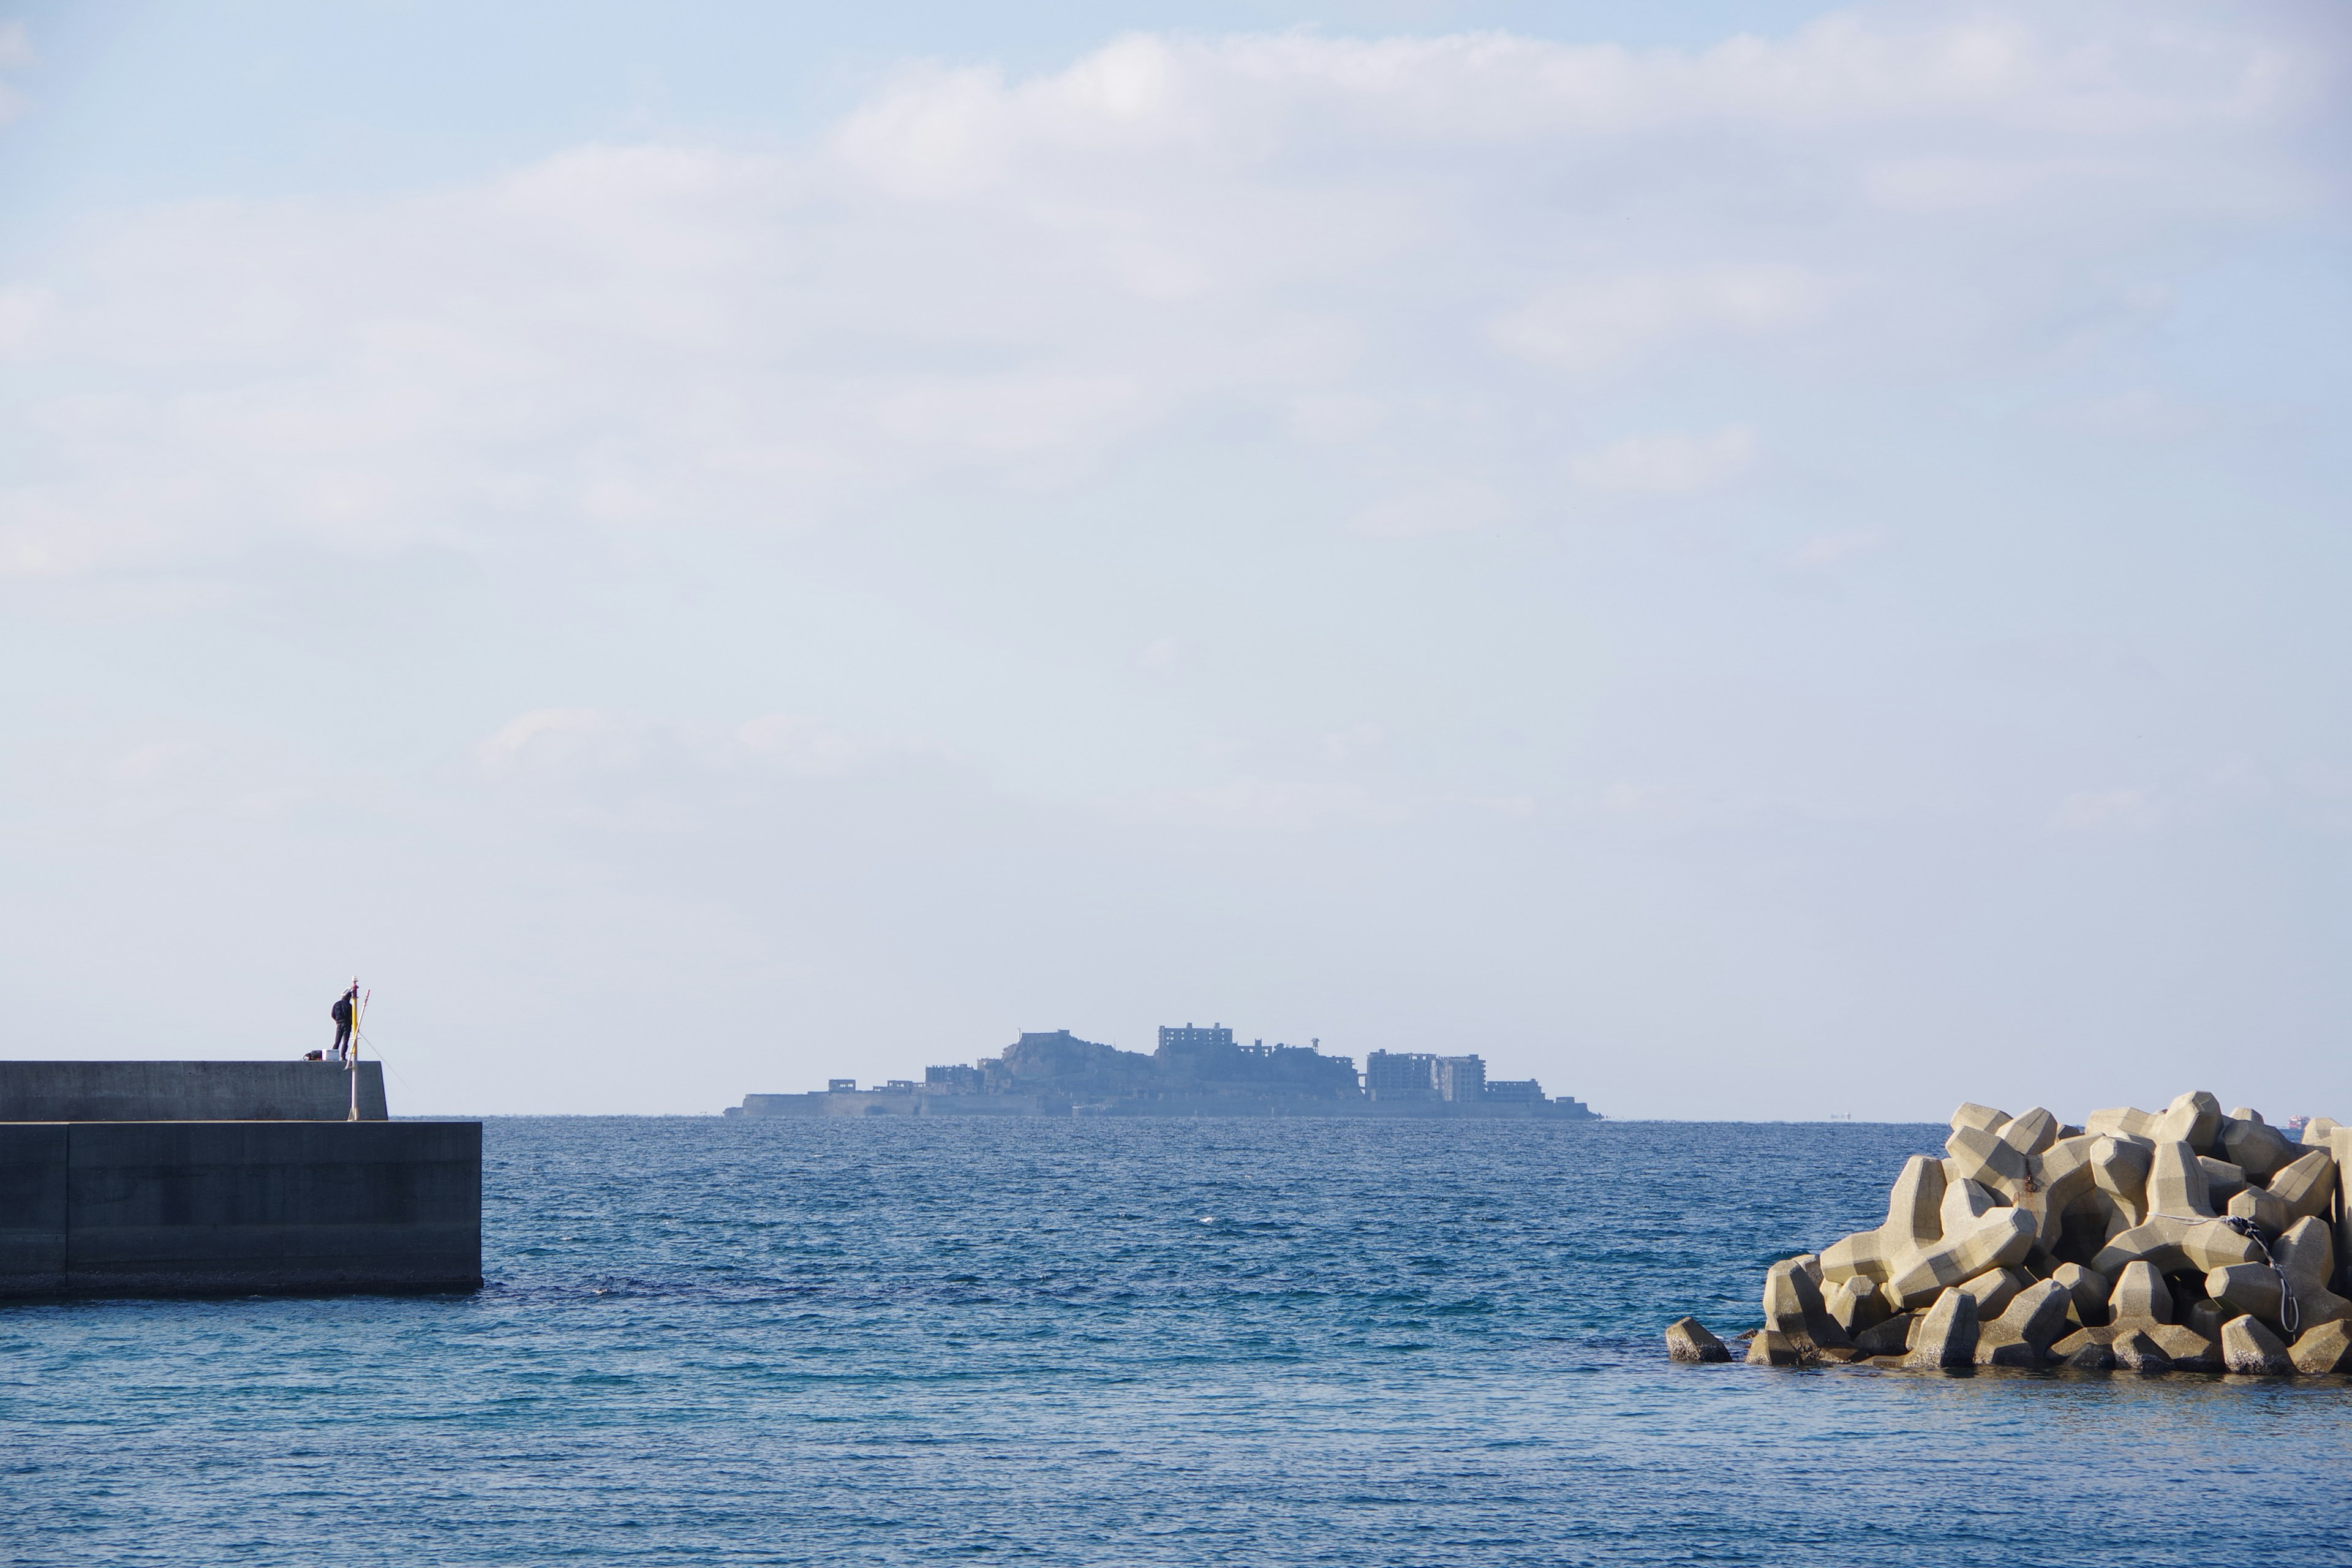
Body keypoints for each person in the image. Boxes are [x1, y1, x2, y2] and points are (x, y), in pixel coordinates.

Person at [331, 981, 360, 1063]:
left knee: (337, 1041)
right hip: (347, 1024)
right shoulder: (349, 1006)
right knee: (345, 1041)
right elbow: (353, 1017)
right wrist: (355, 1025)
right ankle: (343, 1057)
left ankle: (333, 1056)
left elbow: (332, 1015)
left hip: (339, 1024)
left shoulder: (336, 1004)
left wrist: (337, 1021)